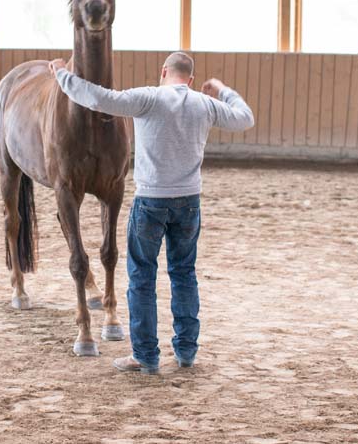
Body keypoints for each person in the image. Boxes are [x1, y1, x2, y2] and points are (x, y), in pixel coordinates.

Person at [51, 51, 254, 374]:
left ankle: (145, 356)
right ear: (190, 80)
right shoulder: (205, 104)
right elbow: (245, 118)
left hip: (151, 201)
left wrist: (62, 74)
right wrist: (222, 89)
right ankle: (186, 352)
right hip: (189, 202)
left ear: (163, 72)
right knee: (184, 274)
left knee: (142, 278)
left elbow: (98, 98)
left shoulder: (148, 98)